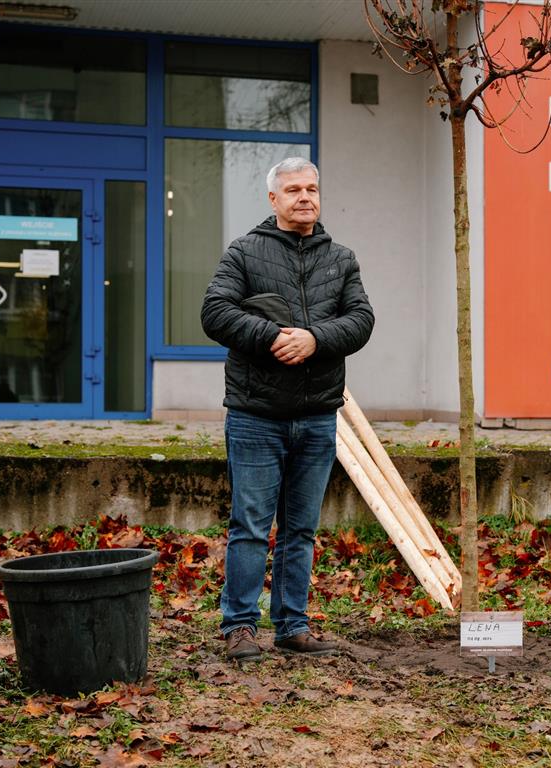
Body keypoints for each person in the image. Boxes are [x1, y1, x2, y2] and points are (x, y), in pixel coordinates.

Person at [201, 157, 375, 661]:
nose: (305, 197)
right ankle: (239, 627)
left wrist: (315, 339)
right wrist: (274, 337)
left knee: (300, 529)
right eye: (294, 189)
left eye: (312, 188)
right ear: (273, 199)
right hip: (257, 414)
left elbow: (361, 320)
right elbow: (215, 312)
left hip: (319, 415)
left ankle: (292, 626)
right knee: (251, 527)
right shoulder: (244, 253)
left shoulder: (340, 258)